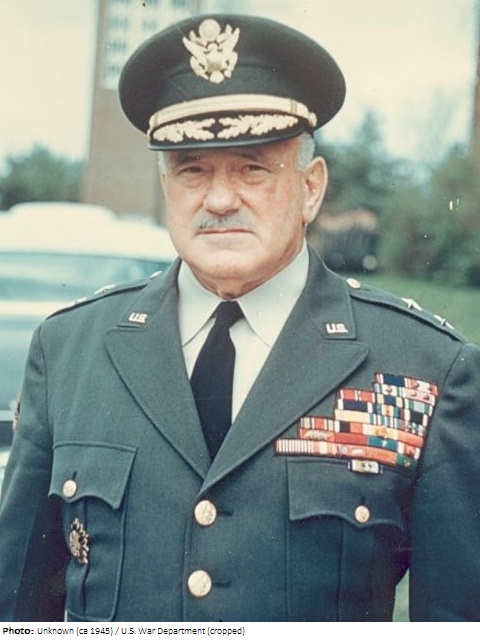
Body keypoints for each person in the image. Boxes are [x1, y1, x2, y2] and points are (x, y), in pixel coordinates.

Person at [1, 13, 480, 623]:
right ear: (166, 185)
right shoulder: (70, 349)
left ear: (311, 188)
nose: (221, 199)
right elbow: (16, 610)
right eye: (192, 169)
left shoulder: (427, 368)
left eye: (253, 167)